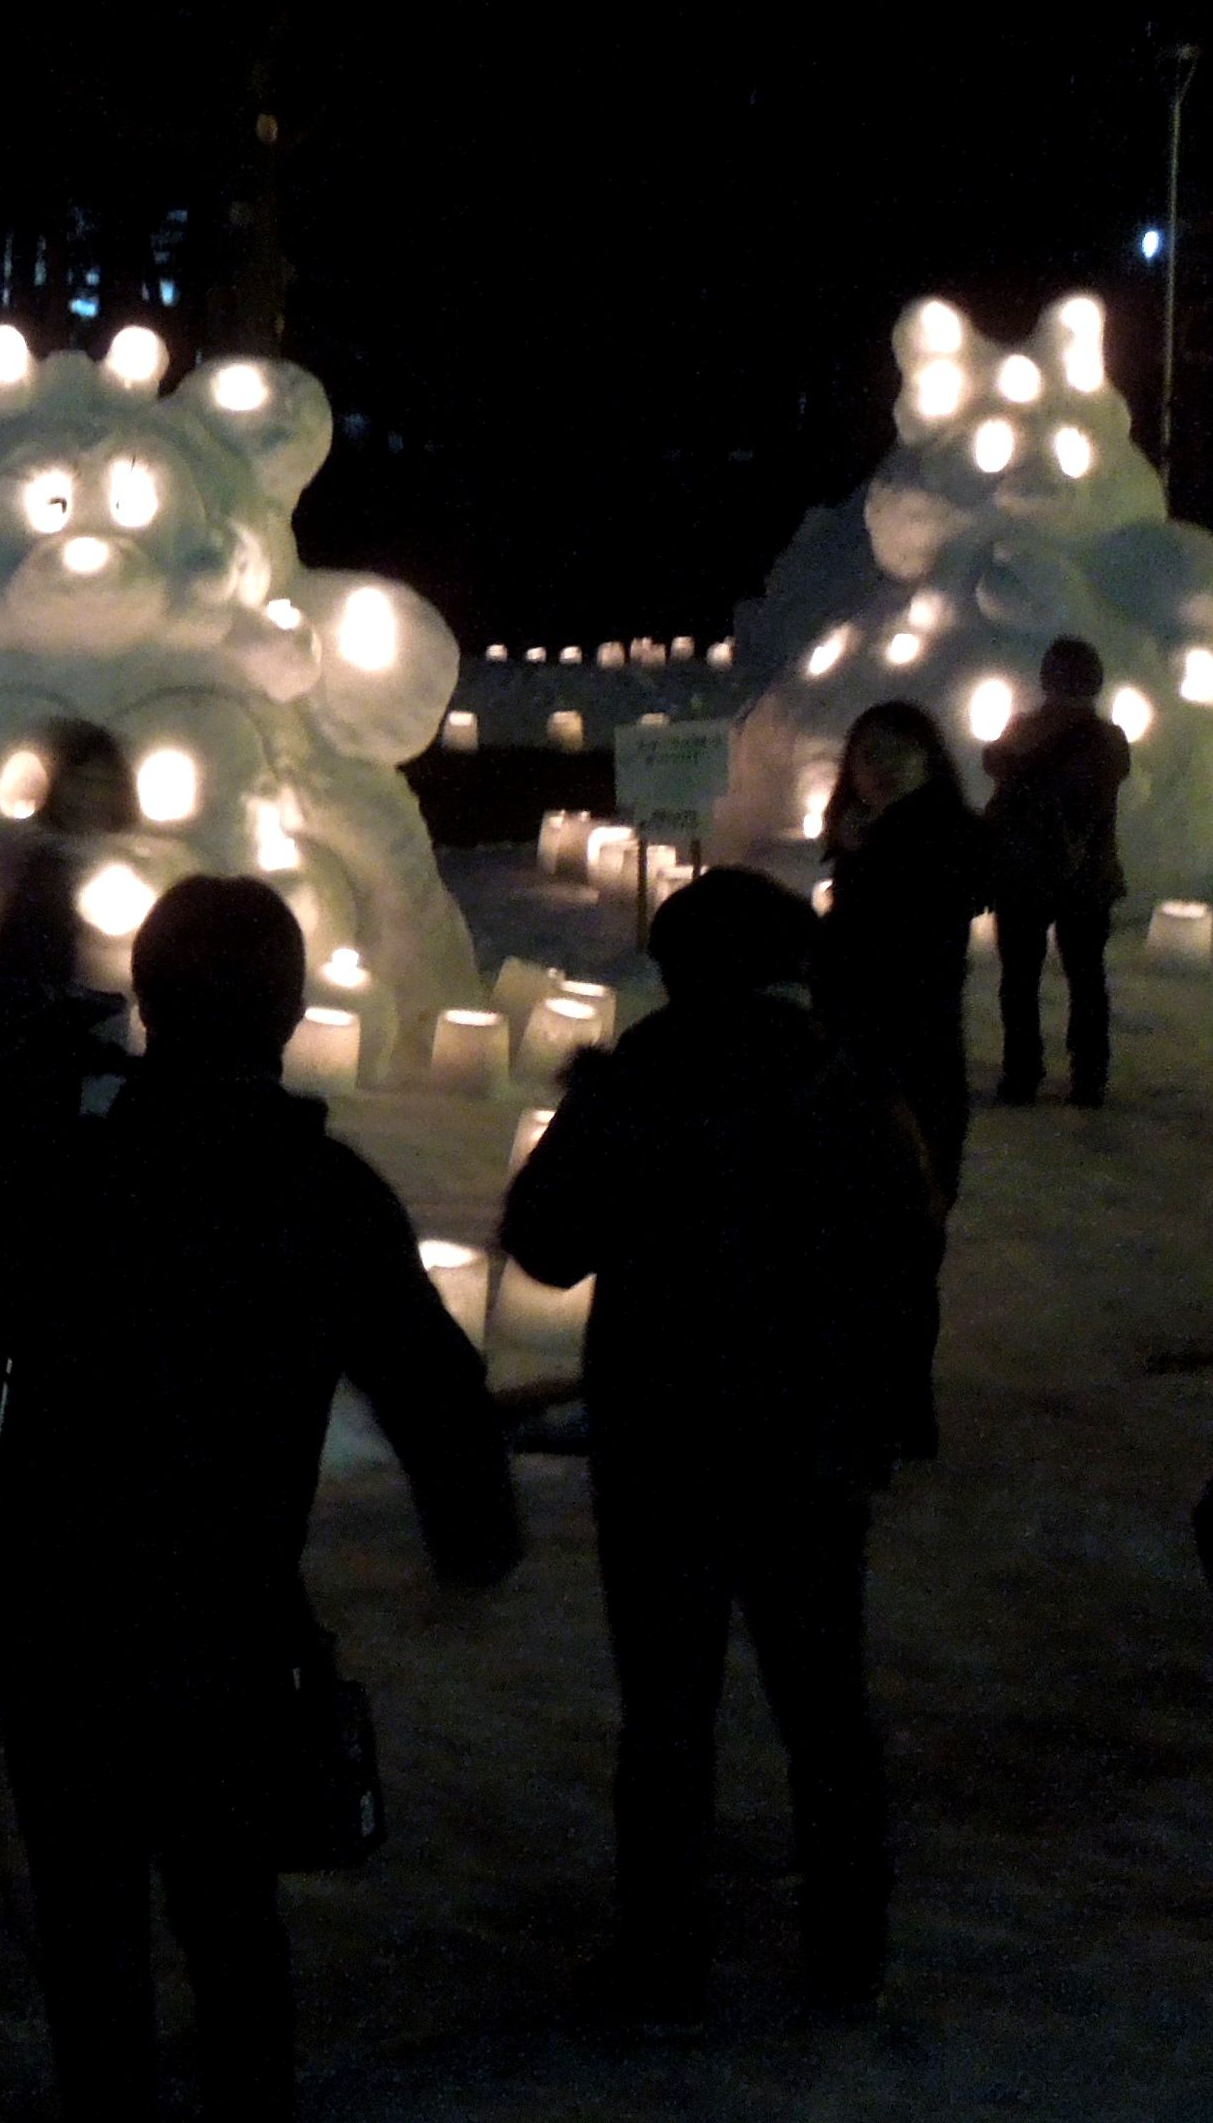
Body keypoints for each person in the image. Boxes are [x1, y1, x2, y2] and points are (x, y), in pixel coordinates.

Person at [0, 875, 519, 2121]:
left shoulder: (73, 1176)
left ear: (145, 1002)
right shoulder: (325, 1193)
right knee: (230, 1908)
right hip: (233, 1623)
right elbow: (434, 1387)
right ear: (290, 1009)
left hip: (63, 1625)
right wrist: (476, 1532)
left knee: (92, 1930)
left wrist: (5, 1170)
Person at [503, 869, 942, 2028]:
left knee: (667, 1704)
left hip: (664, 1437)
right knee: (824, 1698)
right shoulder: (849, 1082)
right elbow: (909, 1250)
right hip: (807, 1437)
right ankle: (848, 1942)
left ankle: (664, 1948)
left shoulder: (639, 1078)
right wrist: (877, 1403)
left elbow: (545, 1243)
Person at [817, 700, 989, 1204]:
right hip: (865, 1061)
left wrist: (861, 857)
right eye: (869, 755)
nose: (883, 767)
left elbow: (885, 948)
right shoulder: (876, 837)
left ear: (928, 759)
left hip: (909, 1063)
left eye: (899, 753)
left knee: (899, 1215)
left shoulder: (939, 842)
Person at [981, 634, 1131, 1105]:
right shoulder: (1107, 738)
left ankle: (1028, 1073)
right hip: (1083, 876)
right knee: (1081, 979)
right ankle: (1083, 1076)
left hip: (1032, 875)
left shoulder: (1028, 730)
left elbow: (1001, 771)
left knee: (1026, 981)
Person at [0, 717, 133, 1035]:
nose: (85, 796)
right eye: (76, 781)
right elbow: (16, 979)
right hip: (57, 1051)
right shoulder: (44, 868)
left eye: (98, 782)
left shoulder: (134, 858)